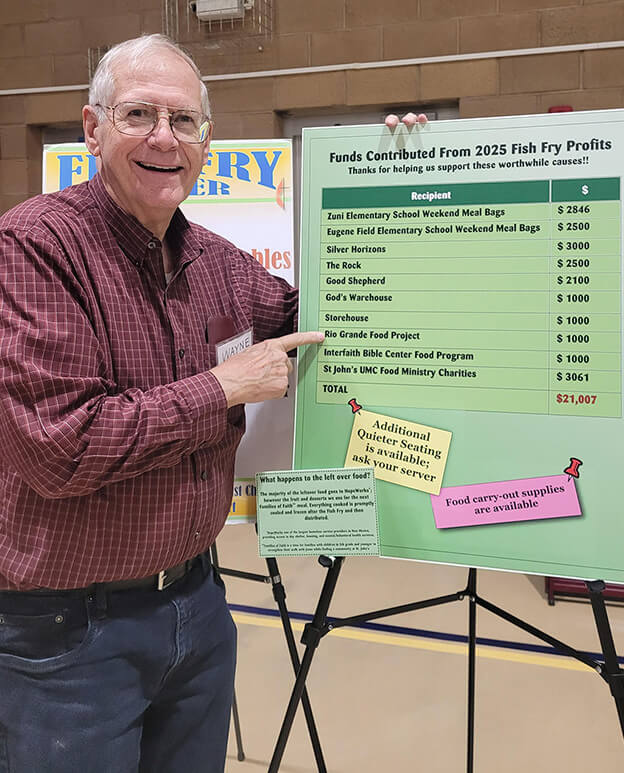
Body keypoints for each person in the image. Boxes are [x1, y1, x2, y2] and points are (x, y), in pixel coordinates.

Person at [0, 32, 426, 772]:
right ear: (92, 129)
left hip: (197, 606)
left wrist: (397, 184)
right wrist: (226, 387)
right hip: (68, 636)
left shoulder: (219, 264)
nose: (164, 138)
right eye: (138, 115)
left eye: (184, 121)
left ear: (207, 141)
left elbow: (327, 318)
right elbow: (62, 447)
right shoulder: (35, 246)